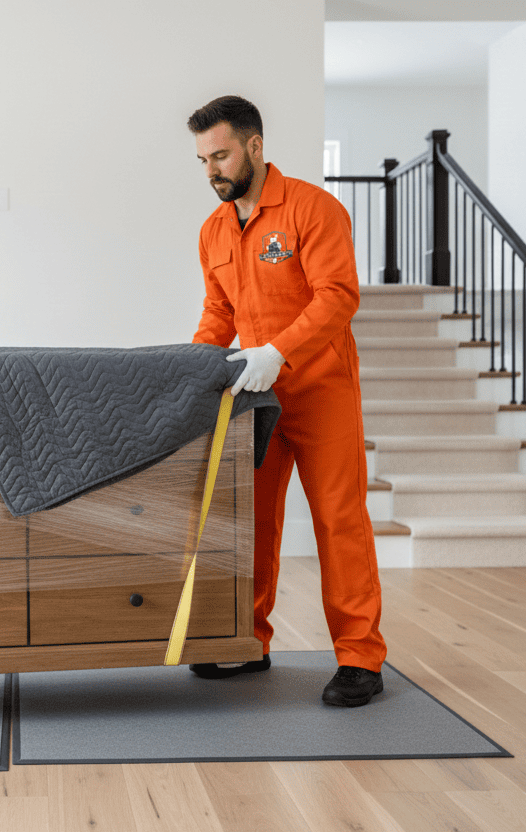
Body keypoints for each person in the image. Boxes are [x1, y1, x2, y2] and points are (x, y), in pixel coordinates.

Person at [186, 95, 386, 707]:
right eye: (202, 159)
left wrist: (278, 349)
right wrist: (191, 368)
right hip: (257, 399)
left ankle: (360, 658)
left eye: (220, 154)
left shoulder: (311, 209)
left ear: (255, 146)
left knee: (338, 521)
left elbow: (337, 296)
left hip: (322, 390)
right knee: (256, 523)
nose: (212, 169)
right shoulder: (214, 230)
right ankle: (250, 641)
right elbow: (218, 314)